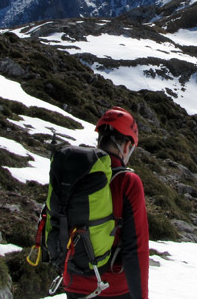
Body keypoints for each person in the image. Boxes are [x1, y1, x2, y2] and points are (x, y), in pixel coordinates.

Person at [64, 107, 149, 299]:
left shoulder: (74, 170)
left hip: (73, 282)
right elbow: (136, 250)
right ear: (126, 146)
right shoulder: (128, 181)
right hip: (113, 288)